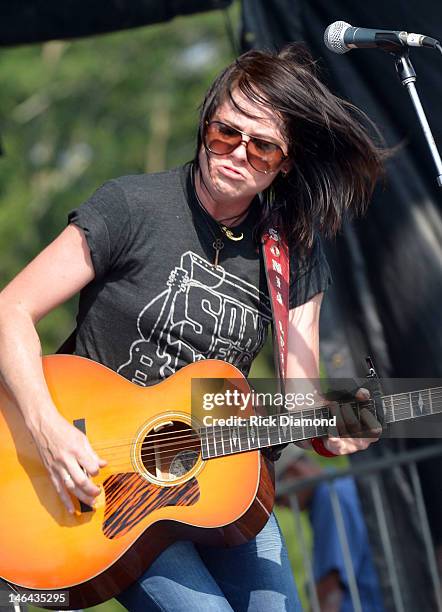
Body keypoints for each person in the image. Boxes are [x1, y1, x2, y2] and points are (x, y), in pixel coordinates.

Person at [0, 43, 384, 611]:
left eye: (261, 146)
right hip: (110, 481)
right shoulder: (132, 205)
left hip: (225, 483)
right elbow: (10, 309)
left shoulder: (294, 254)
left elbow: (302, 406)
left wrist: (337, 430)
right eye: (225, 133)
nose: (236, 154)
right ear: (205, 124)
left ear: (286, 162)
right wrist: (50, 429)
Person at [276, 447, 385, 611]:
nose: (282, 507)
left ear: (295, 472)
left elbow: (331, 586)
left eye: (279, 498)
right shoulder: (338, 486)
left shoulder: (330, 496)